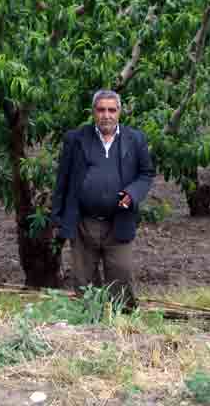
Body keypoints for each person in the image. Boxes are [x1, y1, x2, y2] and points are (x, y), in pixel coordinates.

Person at [51, 89, 155, 307]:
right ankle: (90, 328)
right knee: (84, 282)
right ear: (93, 112)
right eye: (101, 110)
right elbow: (63, 179)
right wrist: (58, 217)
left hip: (119, 221)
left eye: (111, 110)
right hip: (83, 223)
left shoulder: (135, 139)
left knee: (121, 276)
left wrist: (132, 194)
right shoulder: (76, 139)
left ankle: (122, 327)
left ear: (119, 112)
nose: (106, 115)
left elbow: (146, 174)